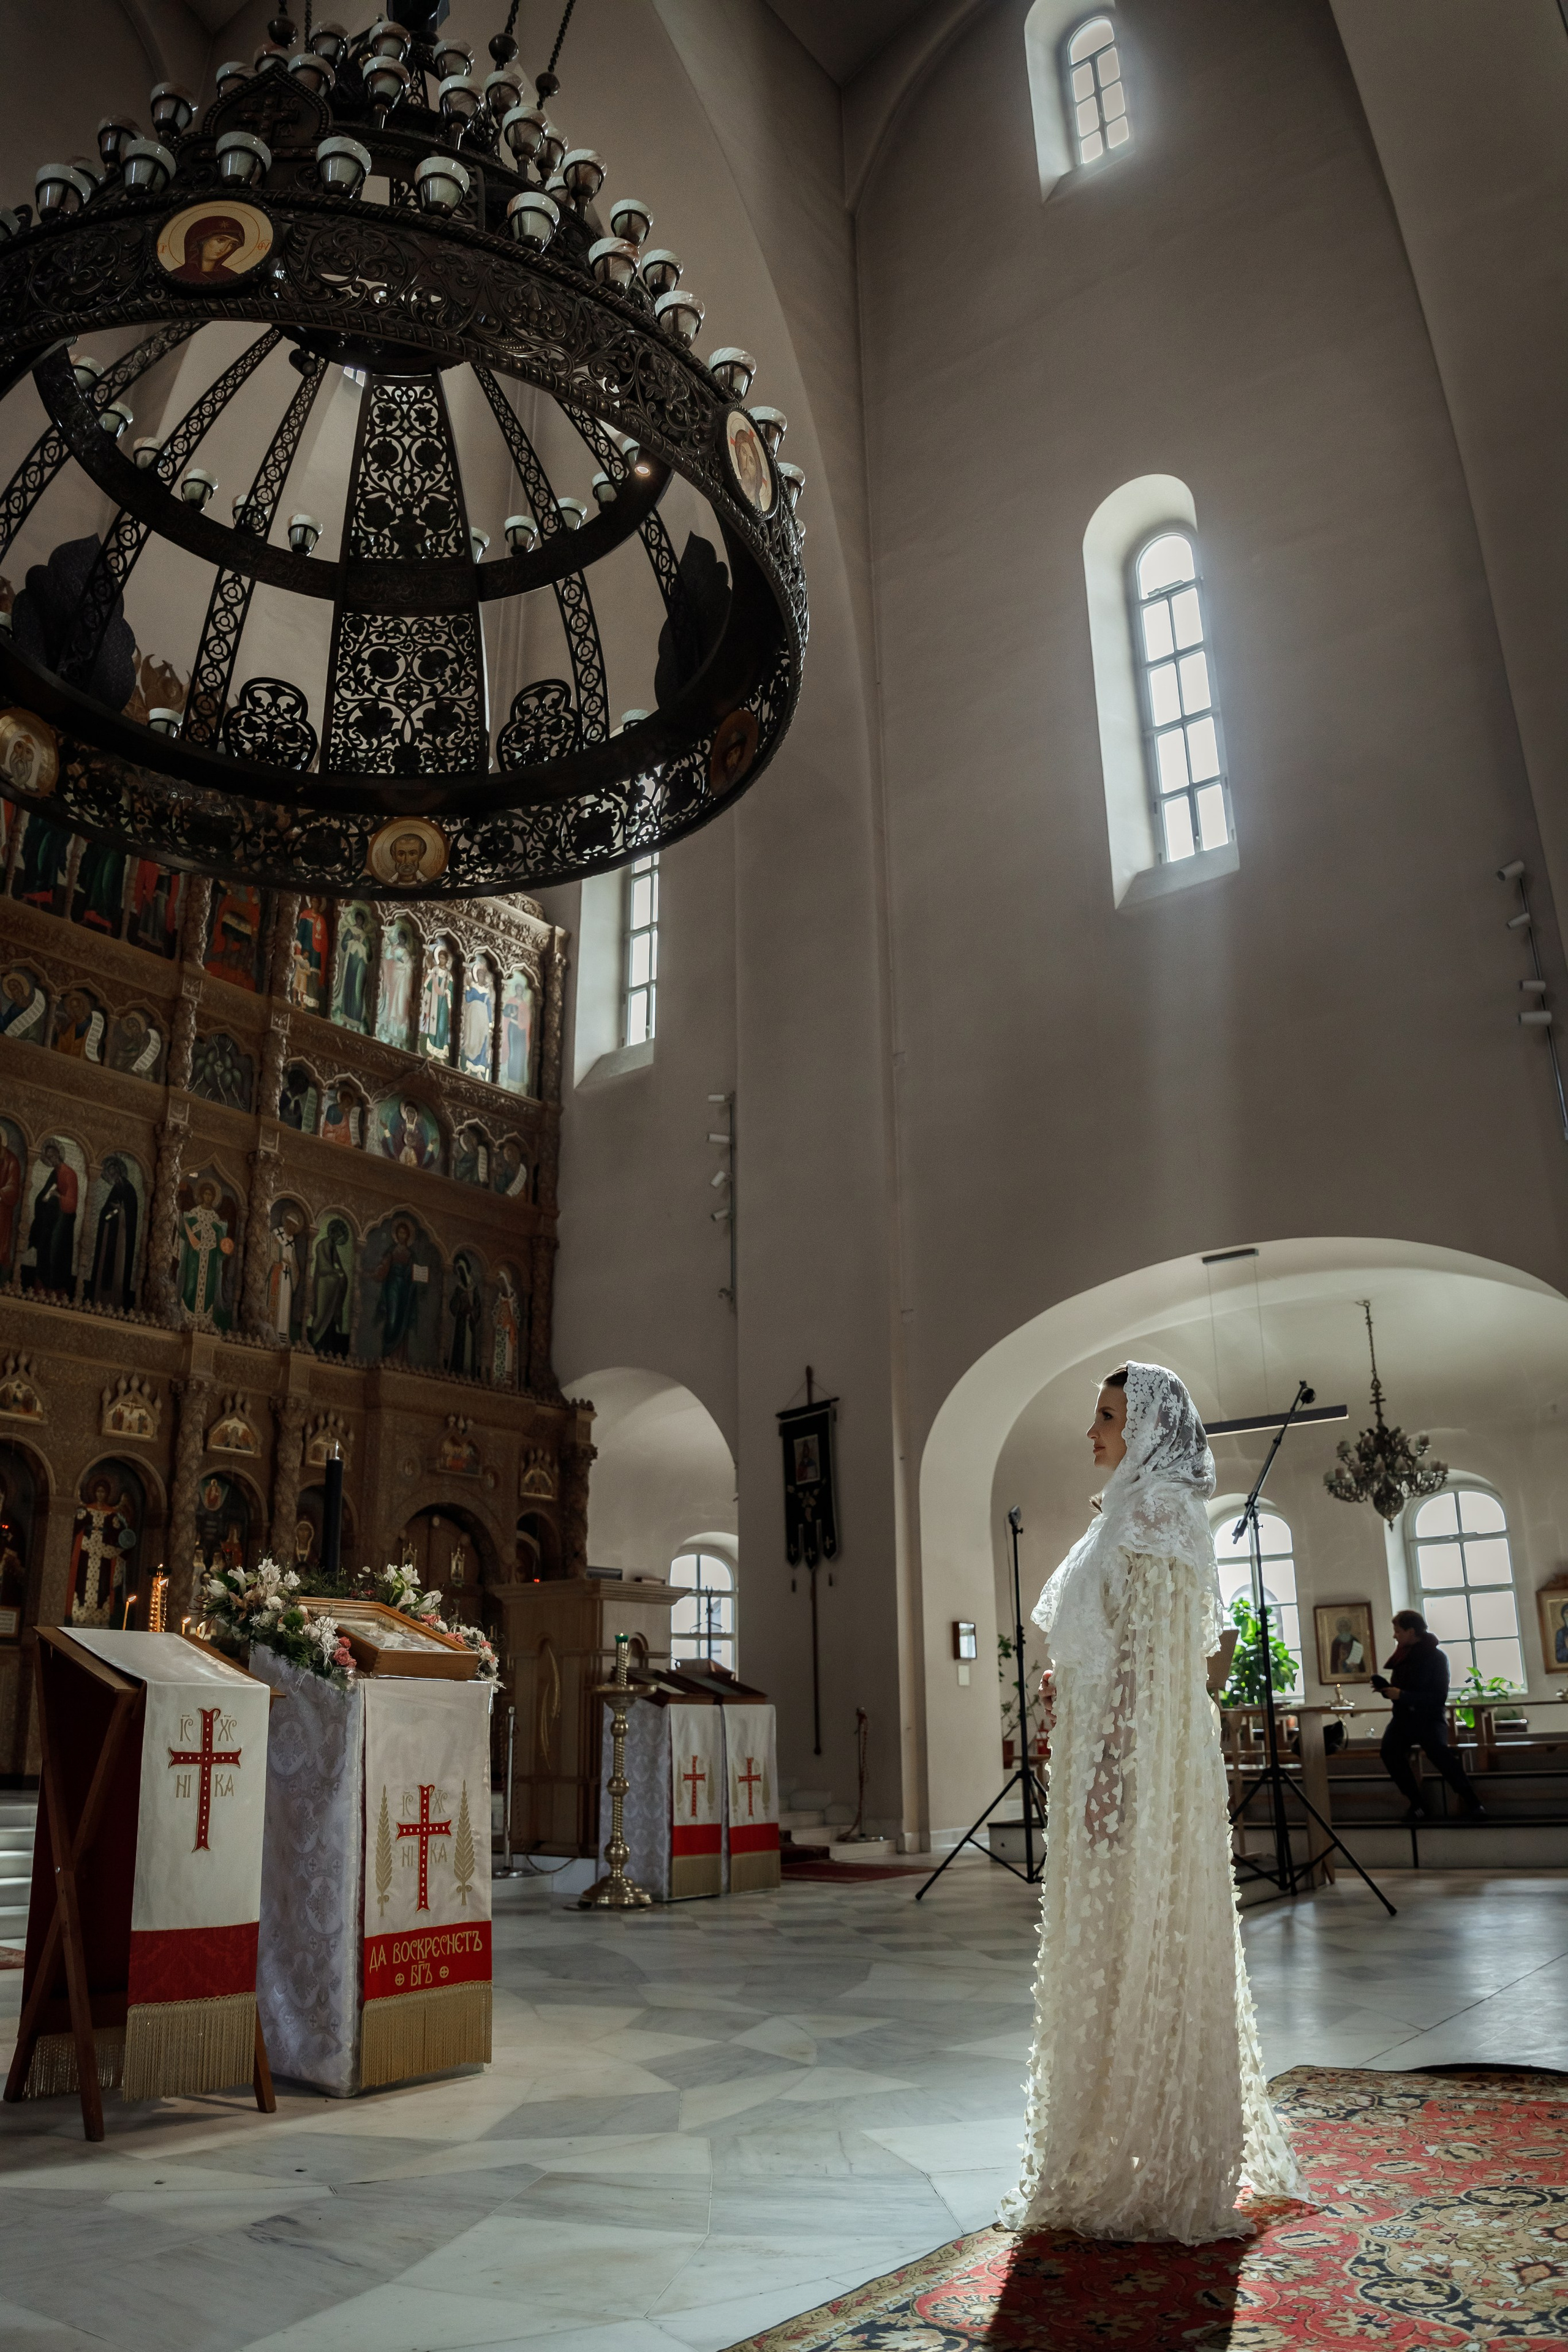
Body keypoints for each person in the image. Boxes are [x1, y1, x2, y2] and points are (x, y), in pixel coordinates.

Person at [1001, 1362, 1302, 2244]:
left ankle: (1167, 2155)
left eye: (1107, 1416)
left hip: (1136, 1763)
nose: (1092, 1431)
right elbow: (1115, 1647)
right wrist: (1073, 1701)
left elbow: (1151, 1663)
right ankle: (1111, 2135)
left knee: (1148, 1928)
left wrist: (1108, 1769)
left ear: (1147, 1427)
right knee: (1113, 1937)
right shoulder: (1128, 1511)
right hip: (1112, 1751)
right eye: (1098, 1415)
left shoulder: (1158, 1512)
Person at [1371, 1610, 1485, 1820]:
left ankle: (1472, 1802)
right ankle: (1417, 1803)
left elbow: (1438, 1697)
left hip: (1429, 1718)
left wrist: (1402, 1695)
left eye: (1398, 1631)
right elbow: (1400, 1691)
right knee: (1389, 1751)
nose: (1395, 1635)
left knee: (1439, 1752)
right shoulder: (1402, 1656)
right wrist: (1388, 1691)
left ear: (1411, 1631)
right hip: (1403, 1719)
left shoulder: (1436, 1657)